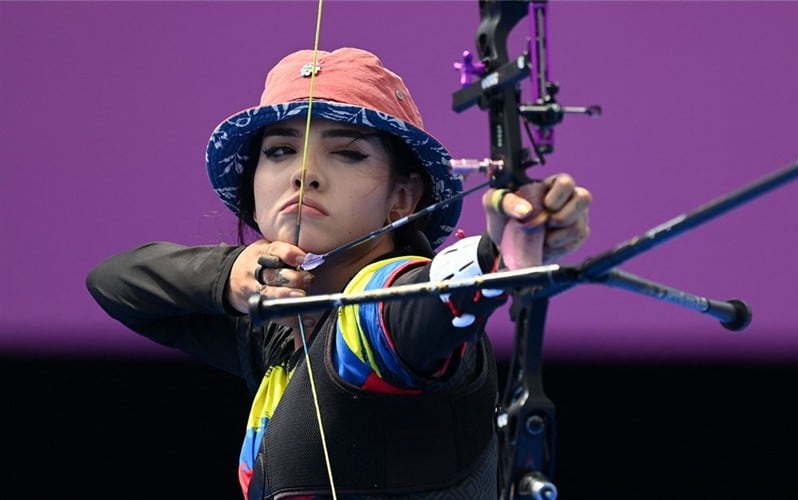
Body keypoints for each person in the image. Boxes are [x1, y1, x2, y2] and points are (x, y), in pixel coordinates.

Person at [86, 47, 591, 499]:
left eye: (348, 153)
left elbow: (421, 302)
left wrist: (496, 254)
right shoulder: (279, 332)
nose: (304, 173)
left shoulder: (380, 309)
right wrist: (230, 274)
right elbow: (113, 283)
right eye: (280, 151)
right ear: (253, 190)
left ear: (402, 198)